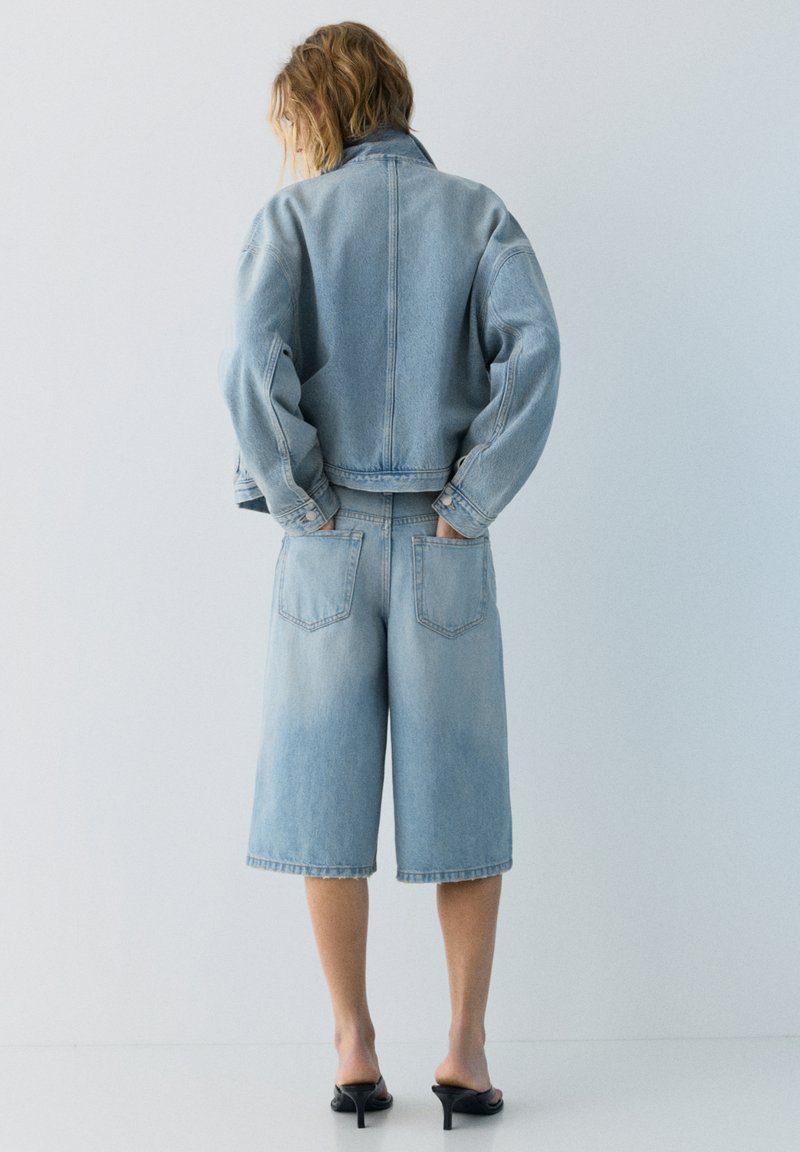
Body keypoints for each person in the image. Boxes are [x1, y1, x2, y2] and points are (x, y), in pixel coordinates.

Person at [218, 20, 561, 1131]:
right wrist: (467, 502)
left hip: (327, 542)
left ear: (324, 106)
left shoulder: (291, 219)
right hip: (442, 544)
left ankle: (354, 1048)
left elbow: (248, 368)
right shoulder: (479, 213)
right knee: (462, 790)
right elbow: (536, 353)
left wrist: (301, 499)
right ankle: (463, 1051)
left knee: (324, 797)